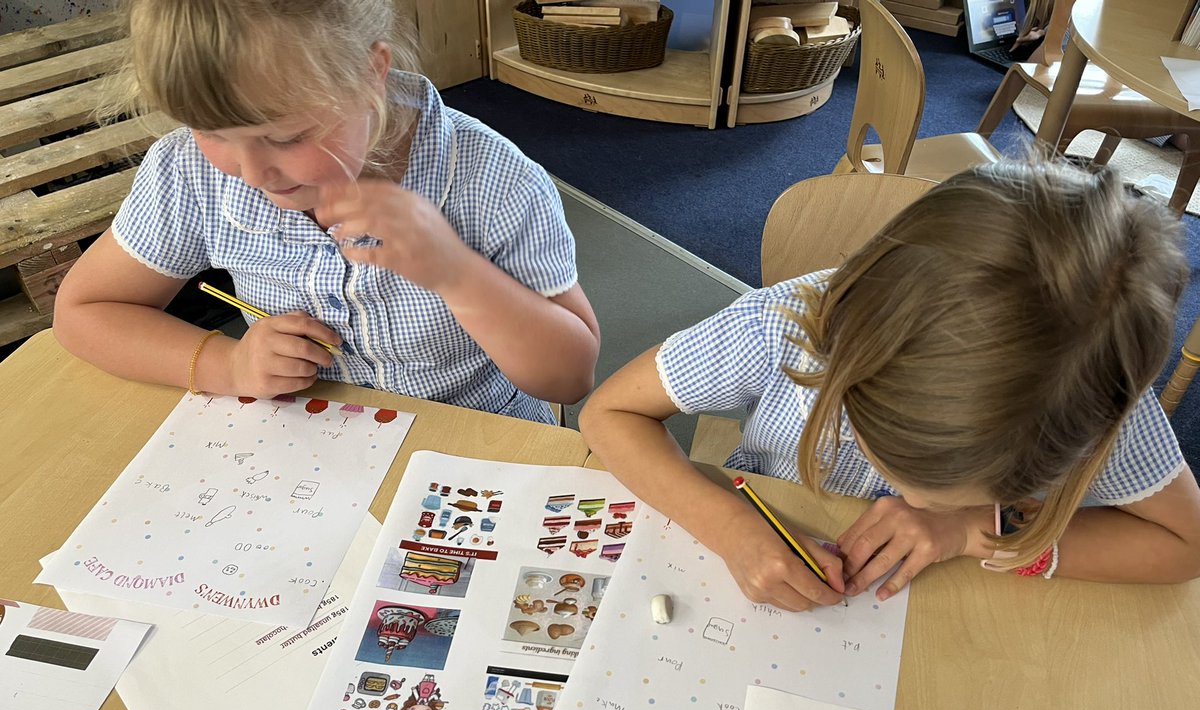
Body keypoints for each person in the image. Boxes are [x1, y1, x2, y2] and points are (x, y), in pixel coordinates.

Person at [580, 160, 1200, 611]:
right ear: (846, 373)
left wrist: (965, 529)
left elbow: (1187, 546)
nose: (921, 505)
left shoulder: (1089, 392)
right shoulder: (784, 329)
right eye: (920, 486)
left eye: (946, 493)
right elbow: (607, 413)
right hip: (774, 517)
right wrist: (727, 527)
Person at [53, 0, 600, 424]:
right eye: (213, 133)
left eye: (287, 136)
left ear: (371, 74)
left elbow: (571, 376)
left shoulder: (491, 178)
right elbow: (86, 310)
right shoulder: (190, 172)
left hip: (478, 441)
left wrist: (456, 272)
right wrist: (228, 365)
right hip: (309, 449)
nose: (250, 172)